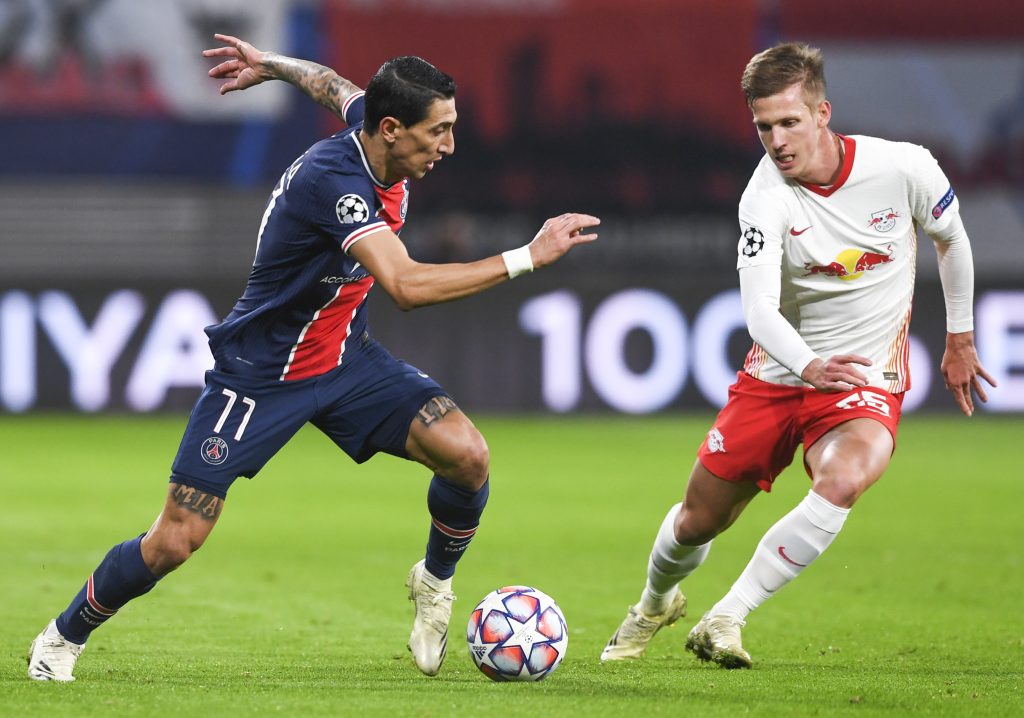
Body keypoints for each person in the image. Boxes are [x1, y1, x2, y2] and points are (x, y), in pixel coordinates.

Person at [27, 34, 599, 682]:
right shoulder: (336, 182)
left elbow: (330, 83)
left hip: (344, 360)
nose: (448, 146)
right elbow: (406, 287)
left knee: (467, 456)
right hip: (260, 375)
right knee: (176, 539)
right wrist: (529, 255)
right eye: (438, 132)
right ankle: (61, 637)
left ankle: (433, 583)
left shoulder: (372, 126)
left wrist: (273, 65)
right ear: (391, 129)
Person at [600, 42, 996, 669]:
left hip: (864, 378)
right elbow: (758, 312)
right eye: (763, 127)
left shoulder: (905, 168)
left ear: (822, 113)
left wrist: (960, 338)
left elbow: (953, 239)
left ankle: (727, 617)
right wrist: (810, 365)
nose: (777, 141)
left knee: (845, 478)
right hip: (778, 374)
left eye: (789, 122)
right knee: (696, 522)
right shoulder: (765, 198)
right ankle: (653, 603)